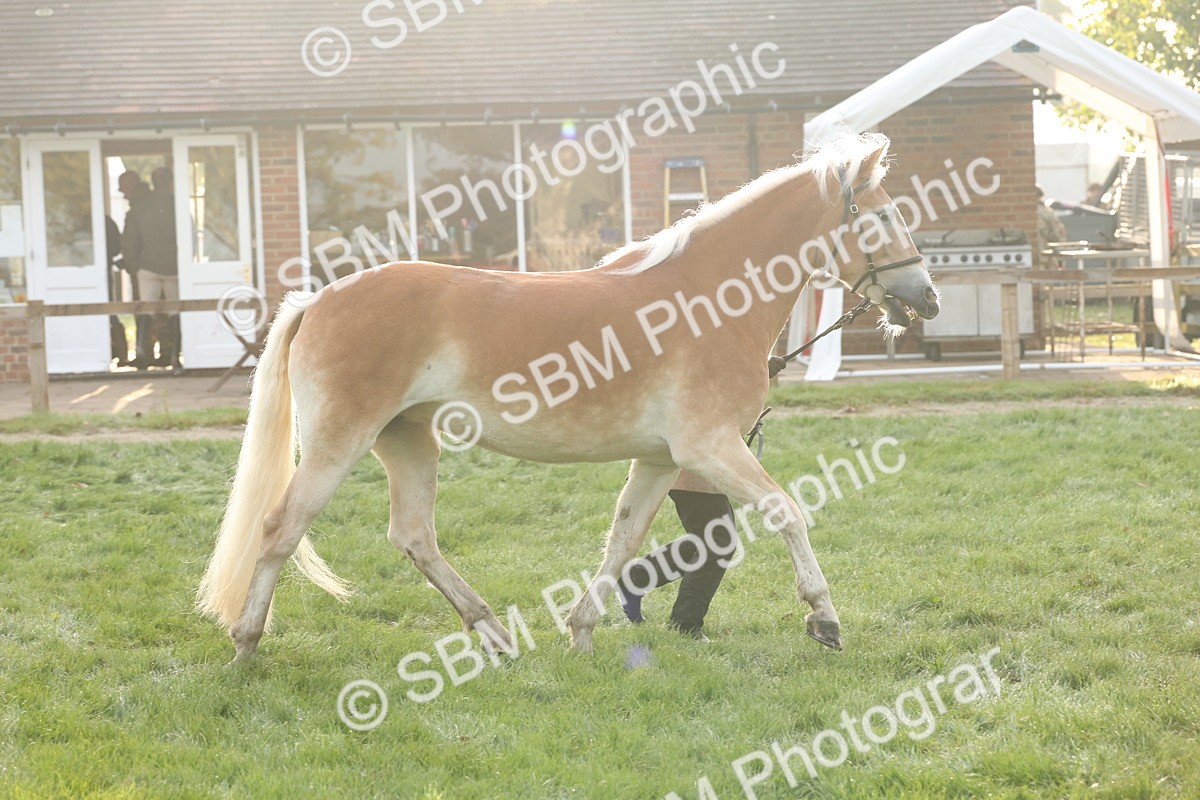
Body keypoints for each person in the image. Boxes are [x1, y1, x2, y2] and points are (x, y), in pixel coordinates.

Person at [616, 356, 787, 639]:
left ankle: (637, 580)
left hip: (700, 448)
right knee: (719, 542)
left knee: (709, 538)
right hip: (691, 452)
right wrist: (752, 368)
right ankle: (685, 623)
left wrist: (758, 370)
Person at [122, 167, 180, 369]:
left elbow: (130, 240)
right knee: (175, 312)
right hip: (173, 267)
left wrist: (133, 266)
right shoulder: (178, 204)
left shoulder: (140, 206)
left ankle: (141, 353)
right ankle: (175, 356)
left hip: (147, 267)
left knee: (145, 310)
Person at [1036, 184, 1067, 269]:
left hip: (1034, 257)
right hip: (1047, 256)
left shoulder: (1024, 213)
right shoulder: (1047, 212)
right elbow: (1059, 235)